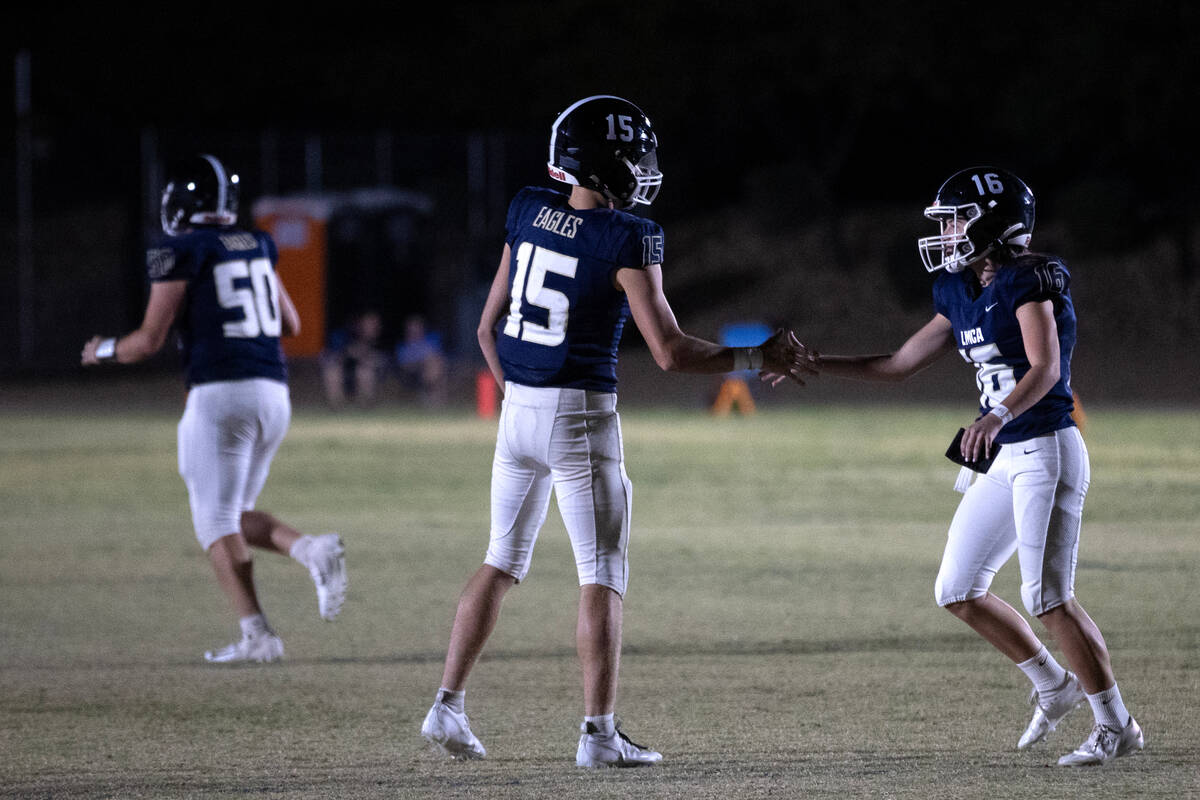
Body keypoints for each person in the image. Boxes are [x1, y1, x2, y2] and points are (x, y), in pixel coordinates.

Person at [420, 95, 814, 767]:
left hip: (517, 413)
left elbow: (487, 327)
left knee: (500, 560)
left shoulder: (524, 209)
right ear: (604, 164)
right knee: (601, 573)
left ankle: (446, 706)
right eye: (632, 157)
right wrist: (756, 356)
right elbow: (669, 352)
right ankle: (598, 735)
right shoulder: (628, 235)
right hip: (579, 417)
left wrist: (523, 397)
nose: (642, 168)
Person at [798, 167, 1142, 766]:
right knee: (956, 589)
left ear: (991, 222)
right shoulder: (959, 288)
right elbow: (900, 363)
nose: (949, 231)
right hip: (1003, 454)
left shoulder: (1029, 279)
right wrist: (816, 362)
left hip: (1044, 448)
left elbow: (1046, 368)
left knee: (1050, 597)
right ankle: (1053, 684)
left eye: (957, 219)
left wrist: (996, 415)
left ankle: (1116, 725)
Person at [81, 153, 348, 663]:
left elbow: (148, 340)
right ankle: (309, 552)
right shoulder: (256, 243)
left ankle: (259, 635)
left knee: (213, 523)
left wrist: (104, 350)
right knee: (232, 515)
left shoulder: (179, 248)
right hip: (273, 393)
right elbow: (288, 325)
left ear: (181, 204)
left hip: (220, 396)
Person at [320, 308, 389, 408]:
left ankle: (365, 406)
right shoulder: (347, 336)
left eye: (374, 323)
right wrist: (349, 353)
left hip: (372, 372)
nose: (371, 326)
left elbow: (385, 359)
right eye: (368, 323)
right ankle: (337, 407)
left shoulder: (383, 340)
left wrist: (366, 356)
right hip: (346, 370)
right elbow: (335, 356)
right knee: (332, 372)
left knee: (364, 372)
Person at [394, 313, 448, 406]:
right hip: (412, 374)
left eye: (417, 326)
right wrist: (422, 363)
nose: (415, 329)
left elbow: (438, 357)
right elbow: (403, 365)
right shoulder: (403, 347)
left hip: (431, 370)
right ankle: (431, 399)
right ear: (407, 329)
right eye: (412, 327)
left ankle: (435, 399)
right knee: (432, 366)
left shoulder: (429, 343)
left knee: (435, 366)